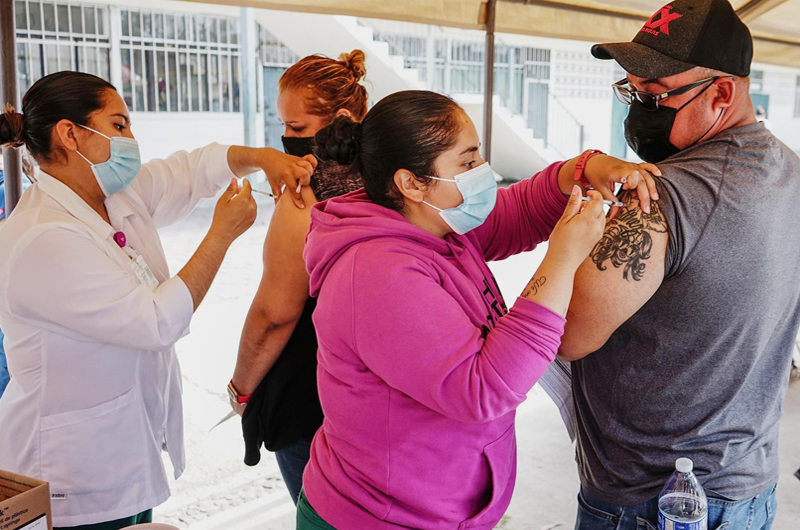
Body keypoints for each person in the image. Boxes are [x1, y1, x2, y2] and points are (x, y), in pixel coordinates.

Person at [297, 90, 659, 529]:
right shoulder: (376, 273)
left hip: (439, 508)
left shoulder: (434, 222)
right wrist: (562, 259)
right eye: (467, 164)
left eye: (479, 158)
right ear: (410, 183)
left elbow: (518, 211)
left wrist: (584, 170)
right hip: (382, 518)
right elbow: (482, 387)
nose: (484, 174)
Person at [0, 71, 314, 530]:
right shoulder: (42, 236)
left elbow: (189, 171)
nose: (131, 140)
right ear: (70, 134)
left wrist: (260, 157)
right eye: (119, 125)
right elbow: (154, 322)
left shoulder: (111, 195)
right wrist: (221, 234)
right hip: (73, 475)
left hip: (123, 454)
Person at [558, 1, 800, 529]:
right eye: (632, 91)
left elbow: (561, 333)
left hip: (658, 500)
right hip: (747, 488)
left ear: (721, 94)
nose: (640, 109)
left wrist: (568, 238)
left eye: (656, 94)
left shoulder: (664, 197)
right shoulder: (791, 171)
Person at [229, 50, 368, 505]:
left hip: (310, 398)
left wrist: (241, 387)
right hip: (380, 399)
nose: (284, 139)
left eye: (297, 128)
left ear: (342, 118)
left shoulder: (304, 202)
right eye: (283, 125)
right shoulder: (396, 181)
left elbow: (274, 314)